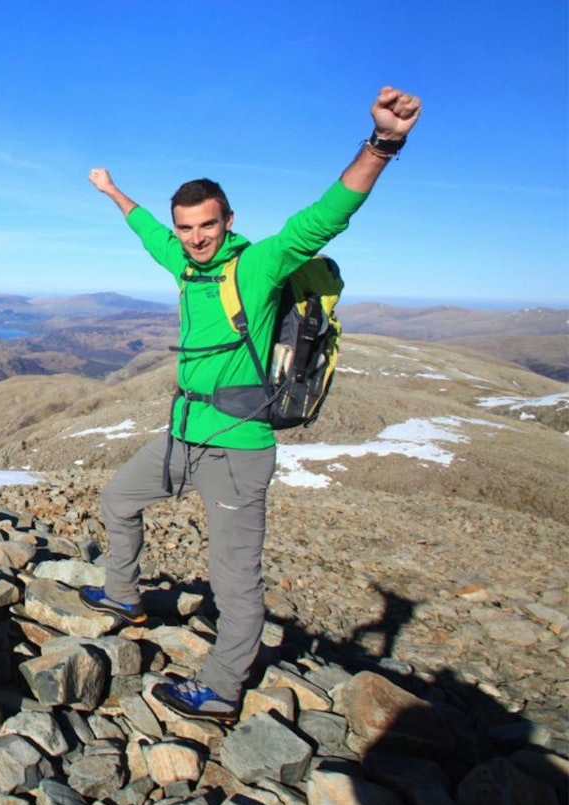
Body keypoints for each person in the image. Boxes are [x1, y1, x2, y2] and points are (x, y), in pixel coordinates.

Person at [81, 86, 422, 720]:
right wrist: (113, 191)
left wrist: (382, 143)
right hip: (182, 438)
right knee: (118, 498)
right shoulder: (184, 262)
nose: (195, 237)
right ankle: (125, 595)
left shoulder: (259, 265)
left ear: (228, 221)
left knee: (233, 578)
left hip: (238, 448)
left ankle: (221, 689)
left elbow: (327, 214)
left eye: (207, 225)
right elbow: (147, 230)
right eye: (187, 228)